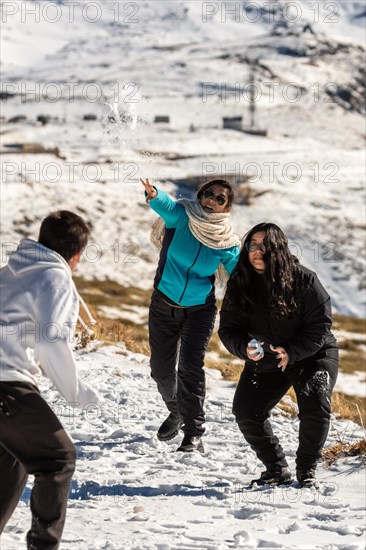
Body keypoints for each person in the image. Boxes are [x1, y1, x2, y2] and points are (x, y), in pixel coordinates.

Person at [0, 211, 100, 549]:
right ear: (76, 255)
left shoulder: (7, 273)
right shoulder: (56, 278)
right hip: (8, 386)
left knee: (12, 464)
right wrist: (76, 393)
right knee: (58, 458)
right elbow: (50, 340)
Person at [218, 222, 338, 488]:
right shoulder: (240, 282)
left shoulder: (304, 279)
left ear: (279, 249)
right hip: (268, 357)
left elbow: (321, 326)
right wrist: (245, 348)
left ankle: (306, 470)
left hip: (311, 353)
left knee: (314, 403)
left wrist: (292, 350)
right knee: (247, 411)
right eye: (252, 245)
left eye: (265, 246)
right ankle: (276, 469)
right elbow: (228, 328)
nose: (257, 252)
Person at [140, 178, 240, 452]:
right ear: (200, 195)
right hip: (163, 305)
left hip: (200, 311)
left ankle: (194, 433)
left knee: (190, 369)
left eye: (220, 198)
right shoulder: (181, 218)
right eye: (208, 194)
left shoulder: (225, 241)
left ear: (227, 207)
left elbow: (238, 275)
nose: (212, 200)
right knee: (161, 371)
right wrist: (154, 194)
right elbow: (165, 206)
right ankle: (177, 410)